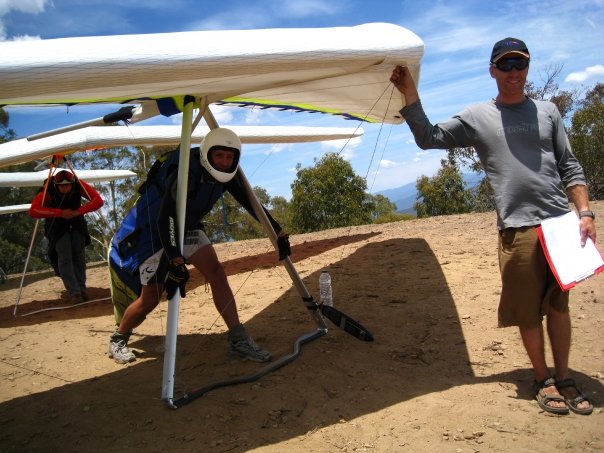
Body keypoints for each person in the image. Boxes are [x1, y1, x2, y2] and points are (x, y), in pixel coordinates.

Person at [390, 38, 596, 416]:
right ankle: (543, 379)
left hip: (560, 224)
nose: (514, 72)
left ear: (527, 69)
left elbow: (569, 165)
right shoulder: (478, 116)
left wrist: (584, 213)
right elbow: (429, 137)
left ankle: (565, 377)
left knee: (559, 307)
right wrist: (409, 91)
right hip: (518, 229)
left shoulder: (548, 112)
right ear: (493, 71)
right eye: (506, 65)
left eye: (520, 64)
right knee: (527, 312)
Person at [107, 127, 291, 365]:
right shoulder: (185, 170)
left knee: (216, 272)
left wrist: (277, 231)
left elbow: (250, 201)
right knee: (150, 298)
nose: (224, 162)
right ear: (206, 154)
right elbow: (166, 216)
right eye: (219, 156)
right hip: (153, 231)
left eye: (229, 157)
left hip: (187, 226)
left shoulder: (229, 173)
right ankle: (119, 338)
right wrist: (175, 259)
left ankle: (238, 339)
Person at [29, 169, 104, 304]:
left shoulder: (78, 184)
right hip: (57, 226)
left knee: (78, 255)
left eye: (67, 185)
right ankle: (74, 292)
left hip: (77, 223)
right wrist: (59, 213)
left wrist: (79, 211)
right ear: (56, 185)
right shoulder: (48, 189)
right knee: (65, 256)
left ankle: (82, 289)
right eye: (61, 186)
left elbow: (98, 201)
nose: (65, 188)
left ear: (72, 183)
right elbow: (33, 210)